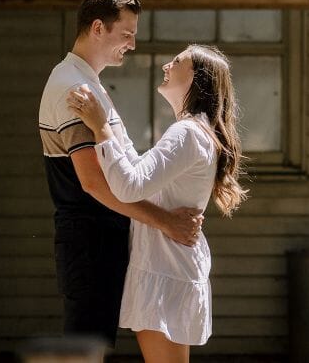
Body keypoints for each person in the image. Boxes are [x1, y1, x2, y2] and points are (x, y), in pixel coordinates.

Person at [38, 0, 205, 348]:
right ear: (98, 28)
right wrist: (167, 222)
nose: (131, 45)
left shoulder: (88, 83)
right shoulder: (73, 87)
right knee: (86, 348)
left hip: (102, 238)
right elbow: (94, 184)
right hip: (89, 239)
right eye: (126, 34)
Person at [67, 44, 248, 363]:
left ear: (195, 77)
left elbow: (129, 186)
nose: (167, 65)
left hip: (165, 268)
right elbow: (140, 175)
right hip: (166, 264)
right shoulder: (194, 132)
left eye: (177, 61)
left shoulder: (188, 133)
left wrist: (101, 126)